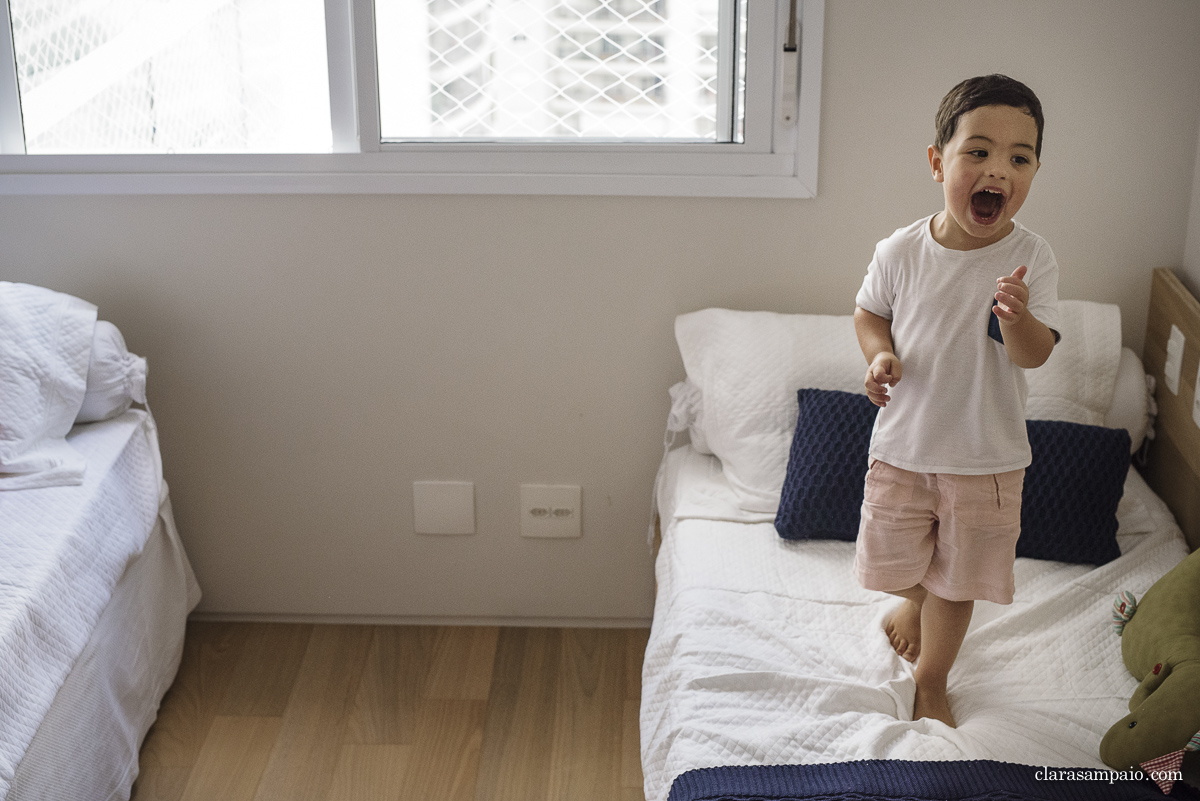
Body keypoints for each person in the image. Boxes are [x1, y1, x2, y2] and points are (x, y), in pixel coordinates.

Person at [852, 74, 1060, 728]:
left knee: (958, 582)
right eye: (979, 151)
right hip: (904, 447)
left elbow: (1034, 353)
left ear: (1031, 173)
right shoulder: (901, 250)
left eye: (1018, 158)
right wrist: (879, 354)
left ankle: (931, 677)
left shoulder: (1031, 258)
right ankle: (913, 600)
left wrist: (1019, 317)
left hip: (985, 457)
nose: (998, 168)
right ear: (939, 161)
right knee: (889, 566)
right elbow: (867, 313)